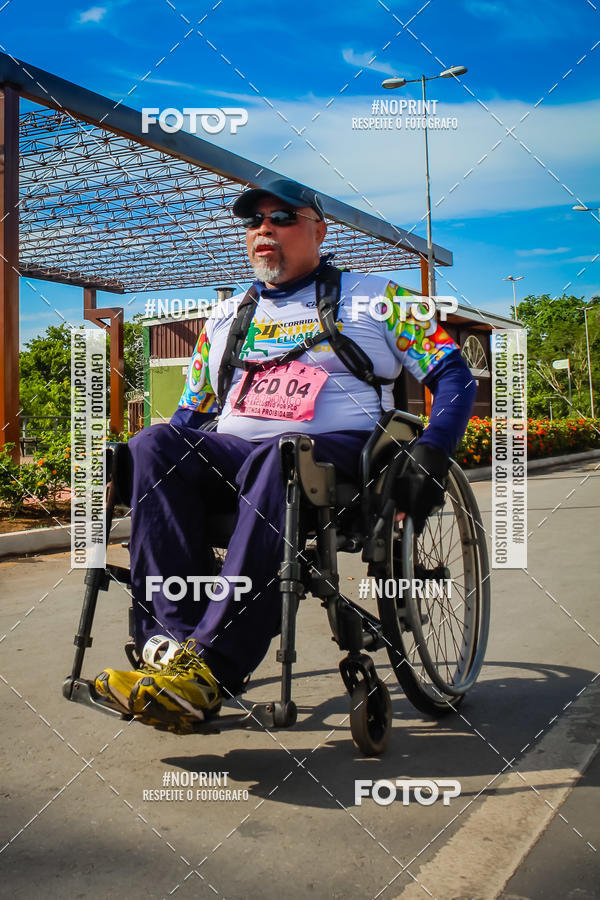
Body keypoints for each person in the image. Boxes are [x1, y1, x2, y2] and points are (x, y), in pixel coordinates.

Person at [95, 178, 476, 733]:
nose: (263, 229)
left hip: (335, 452)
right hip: (235, 451)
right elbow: (189, 414)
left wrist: (434, 451)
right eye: (253, 222)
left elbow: (454, 375)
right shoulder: (224, 319)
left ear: (318, 229)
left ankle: (213, 667)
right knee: (152, 443)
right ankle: (167, 647)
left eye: (281, 217)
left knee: (279, 455)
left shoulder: (381, 296)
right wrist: (138, 465)